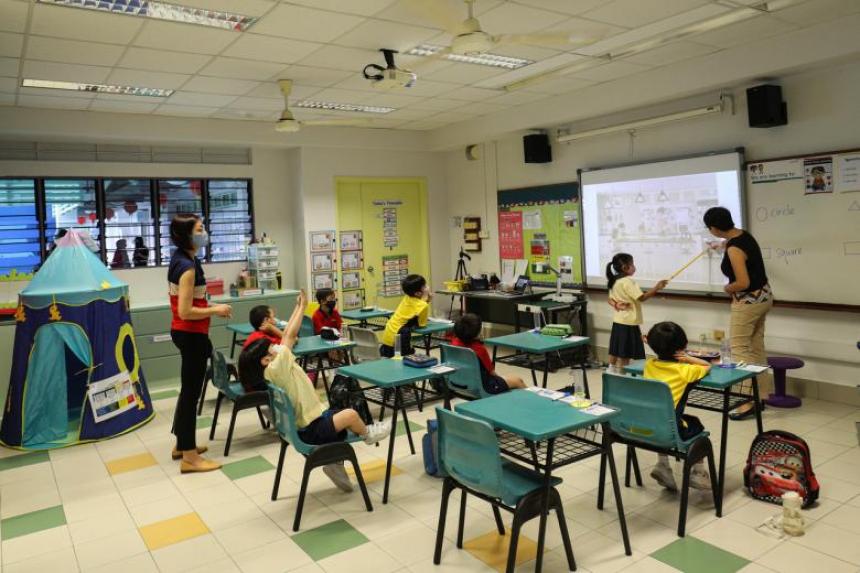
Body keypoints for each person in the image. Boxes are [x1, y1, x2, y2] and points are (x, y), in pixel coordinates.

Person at [238, 290, 390, 492]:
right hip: (311, 429)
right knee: (351, 415)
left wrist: (297, 307)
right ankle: (368, 435)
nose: (275, 348)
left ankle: (334, 463)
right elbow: (289, 336)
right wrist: (302, 307)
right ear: (265, 360)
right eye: (270, 349)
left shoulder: (271, 370)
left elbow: (286, 337)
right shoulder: (277, 368)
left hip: (307, 423)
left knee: (337, 413)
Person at [168, 213, 232, 473]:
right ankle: (190, 458)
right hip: (190, 333)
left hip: (188, 333)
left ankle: (182, 444)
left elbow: (193, 301)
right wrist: (216, 310)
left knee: (188, 392)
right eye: (199, 229)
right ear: (186, 235)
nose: (204, 233)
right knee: (190, 395)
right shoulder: (187, 268)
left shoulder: (185, 259)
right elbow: (185, 311)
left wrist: (211, 305)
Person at [704, 206, 772, 420]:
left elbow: (743, 282)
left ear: (714, 228)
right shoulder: (743, 236)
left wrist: (727, 288)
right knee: (756, 347)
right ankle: (760, 397)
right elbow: (734, 248)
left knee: (740, 349)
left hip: (748, 302)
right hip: (764, 298)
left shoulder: (734, 249)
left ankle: (746, 402)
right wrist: (719, 246)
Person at [643, 321, 713, 492]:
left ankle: (662, 465)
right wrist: (688, 358)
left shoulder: (649, 365)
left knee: (664, 418)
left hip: (646, 425)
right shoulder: (684, 371)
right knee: (695, 425)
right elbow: (707, 366)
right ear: (683, 346)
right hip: (670, 430)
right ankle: (698, 472)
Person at [605, 253, 667, 373]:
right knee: (625, 351)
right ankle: (623, 373)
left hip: (618, 320)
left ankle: (611, 368)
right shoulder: (628, 282)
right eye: (632, 264)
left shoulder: (614, 280)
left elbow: (610, 299)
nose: (634, 267)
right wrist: (657, 288)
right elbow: (641, 298)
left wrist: (617, 305)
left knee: (616, 347)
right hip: (629, 321)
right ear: (625, 267)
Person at [451, 313, 525, 393]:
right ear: (477, 333)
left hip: (457, 382)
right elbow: (492, 373)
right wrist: (501, 381)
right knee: (518, 381)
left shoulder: (454, 342)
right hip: (482, 386)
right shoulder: (479, 349)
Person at [380, 274, 431, 358]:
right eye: (425, 287)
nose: (428, 288)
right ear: (417, 293)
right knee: (403, 358)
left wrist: (426, 299)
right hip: (399, 335)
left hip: (389, 332)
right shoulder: (423, 305)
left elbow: (417, 307)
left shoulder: (407, 297)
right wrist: (425, 298)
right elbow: (422, 324)